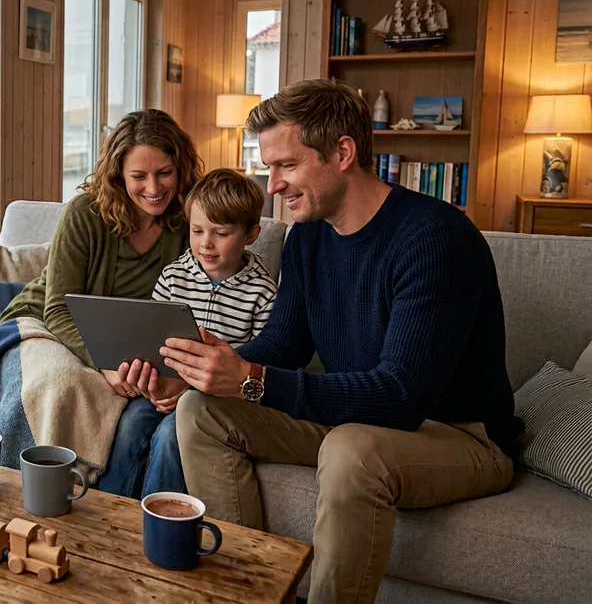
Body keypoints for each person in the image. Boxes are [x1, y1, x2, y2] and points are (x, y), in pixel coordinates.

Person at [143, 79, 520, 603]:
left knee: (352, 449)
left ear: (342, 152)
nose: (271, 185)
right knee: (200, 409)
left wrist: (250, 380)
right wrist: (201, 369)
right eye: (269, 166)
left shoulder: (436, 239)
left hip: (462, 435)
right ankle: (250, 592)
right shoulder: (308, 237)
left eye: (286, 166)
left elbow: (400, 395)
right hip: (360, 420)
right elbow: (282, 346)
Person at [0, 108, 203, 398]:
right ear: (119, 175)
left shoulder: (191, 221)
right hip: (44, 324)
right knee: (61, 384)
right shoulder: (85, 213)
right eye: (139, 176)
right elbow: (57, 310)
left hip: (125, 345)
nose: (154, 188)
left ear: (181, 168)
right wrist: (105, 365)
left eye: (165, 173)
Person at [100, 168, 278, 499]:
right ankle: (108, 510)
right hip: (163, 389)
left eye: (221, 233)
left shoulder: (263, 293)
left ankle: (159, 522)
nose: (205, 243)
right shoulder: (173, 277)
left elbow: (255, 367)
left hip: (211, 400)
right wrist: (152, 382)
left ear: (251, 234)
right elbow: (150, 342)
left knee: (171, 437)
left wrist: (191, 391)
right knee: (129, 425)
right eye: (197, 231)